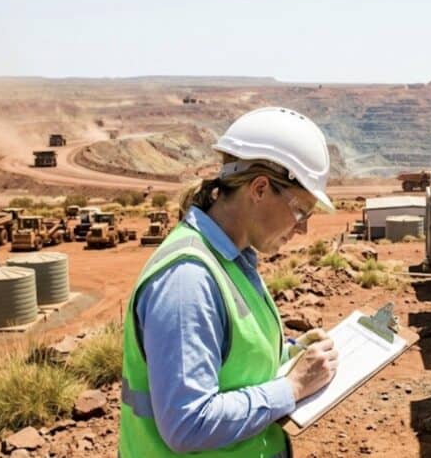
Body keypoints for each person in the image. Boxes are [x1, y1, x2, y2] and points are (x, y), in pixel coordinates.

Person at [120, 107, 339, 457]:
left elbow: (231, 365)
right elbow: (187, 424)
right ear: (260, 189)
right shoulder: (188, 280)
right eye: (300, 211)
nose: (302, 228)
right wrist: (292, 387)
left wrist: (291, 355)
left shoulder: (232, 260)